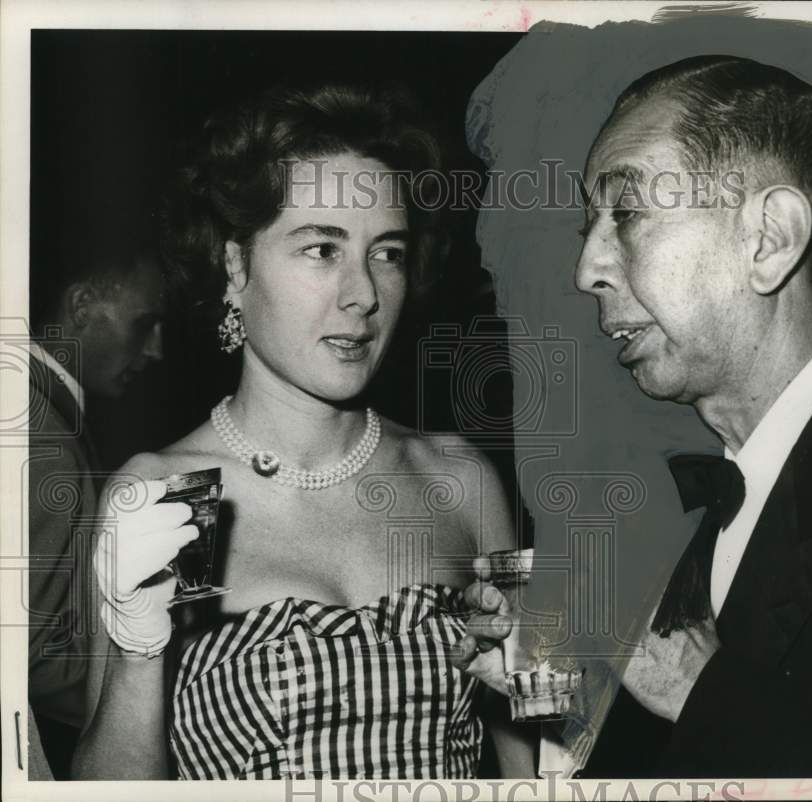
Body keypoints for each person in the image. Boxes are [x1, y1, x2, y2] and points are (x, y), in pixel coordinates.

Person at [456, 55, 812, 777]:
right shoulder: (718, 503)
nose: (588, 270)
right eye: (589, 226)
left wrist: (704, 694)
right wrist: (557, 692)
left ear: (769, 239)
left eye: (628, 212)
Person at [71, 82, 533, 780]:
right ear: (235, 266)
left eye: (388, 253)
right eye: (322, 248)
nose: (364, 294)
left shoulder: (458, 479)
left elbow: (531, 772)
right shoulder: (171, 494)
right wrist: (141, 655)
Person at [28, 217, 166, 778]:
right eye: (146, 323)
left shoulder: (48, 415)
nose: (157, 350)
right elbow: (30, 659)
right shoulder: (43, 439)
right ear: (82, 307)